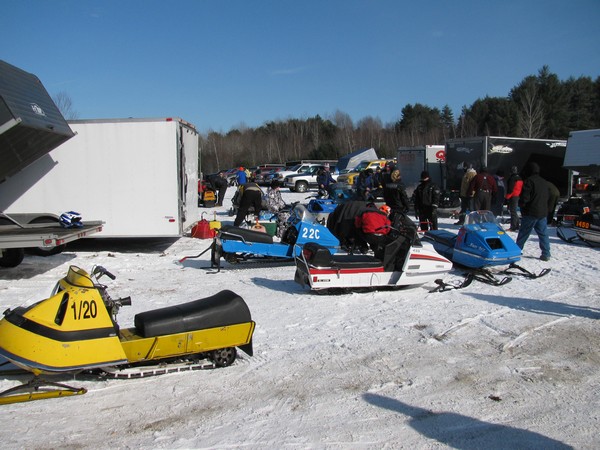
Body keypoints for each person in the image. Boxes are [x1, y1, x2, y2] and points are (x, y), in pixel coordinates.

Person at [516, 162, 552, 261]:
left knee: (523, 233)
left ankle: (516, 251)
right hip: (542, 212)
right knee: (543, 234)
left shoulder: (529, 181)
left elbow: (525, 198)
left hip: (531, 212)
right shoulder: (544, 182)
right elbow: (548, 196)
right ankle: (546, 253)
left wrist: (521, 205)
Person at [504, 166, 523, 231]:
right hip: (518, 195)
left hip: (513, 196)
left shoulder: (512, 178)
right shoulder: (520, 178)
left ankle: (513, 226)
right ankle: (516, 225)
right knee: (514, 211)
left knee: (513, 211)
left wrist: (507, 197)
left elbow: (510, 189)